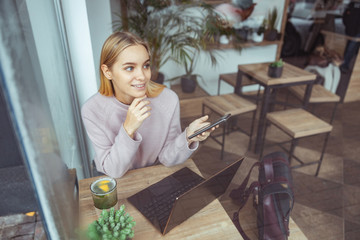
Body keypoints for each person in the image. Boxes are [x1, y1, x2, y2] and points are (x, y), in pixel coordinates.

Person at [81, 31, 216, 178]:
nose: (142, 76)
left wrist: (188, 136)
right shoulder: (92, 110)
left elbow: (167, 158)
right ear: (108, 72)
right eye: (130, 68)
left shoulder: (168, 99)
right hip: (111, 178)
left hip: (152, 174)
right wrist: (128, 128)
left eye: (145, 66)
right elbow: (114, 171)